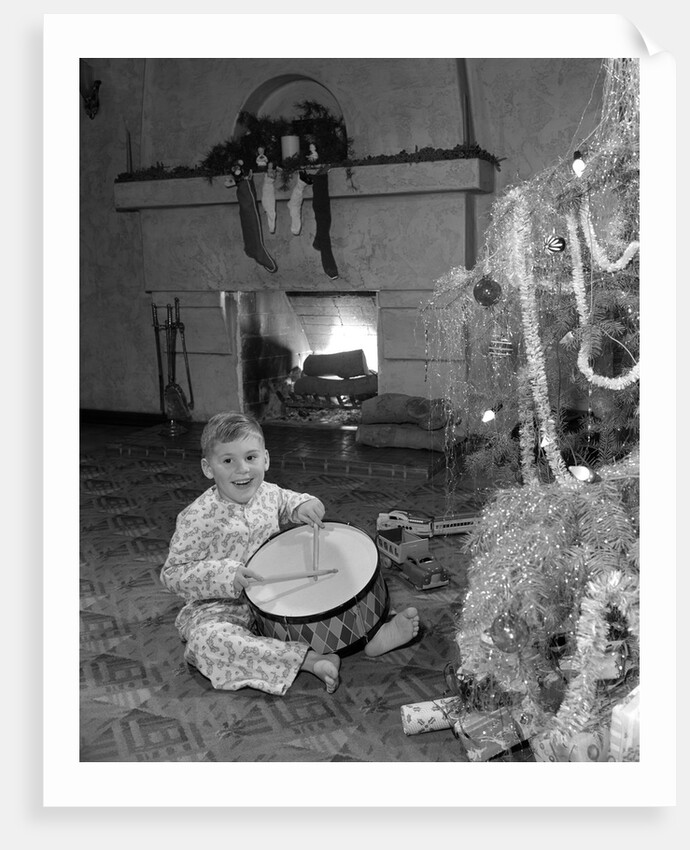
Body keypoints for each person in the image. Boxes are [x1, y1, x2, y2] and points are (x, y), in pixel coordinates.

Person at [161, 411, 420, 696]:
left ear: (266, 459)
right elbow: (172, 574)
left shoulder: (269, 493)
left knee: (330, 589)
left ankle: (372, 634)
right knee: (206, 642)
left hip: (278, 597)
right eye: (227, 461)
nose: (242, 470)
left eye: (250, 458)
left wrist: (303, 504)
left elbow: (288, 501)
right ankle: (310, 660)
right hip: (221, 609)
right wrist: (226, 574)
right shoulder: (197, 517)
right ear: (208, 468)